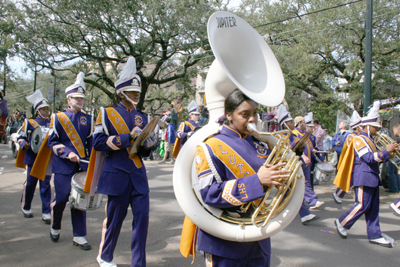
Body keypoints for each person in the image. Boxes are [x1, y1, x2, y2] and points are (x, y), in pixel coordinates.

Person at [194, 89, 290, 266]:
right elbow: (209, 194)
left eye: (254, 113)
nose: (252, 119)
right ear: (229, 115)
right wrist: (257, 181)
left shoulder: (261, 145)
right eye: (245, 114)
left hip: (259, 237)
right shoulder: (211, 145)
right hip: (224, 242)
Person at [94, 56, 157, 267]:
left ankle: (138, 263)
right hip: (116, 173)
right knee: (114, 222)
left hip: (138, 175)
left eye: (138, 92)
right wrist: (127, 138)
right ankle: (105, 256)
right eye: (132, 91)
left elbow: (144, 152)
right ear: (121, 92)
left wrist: (149, 144)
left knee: (142, 224)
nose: (136, 94)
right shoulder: (106, 112)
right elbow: (98, 142)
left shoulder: (143, 116)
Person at [334, 101, 398, 248]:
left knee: (373, 207)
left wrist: (389, 152)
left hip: (372, 177)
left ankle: (375, 234)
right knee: (362, 205)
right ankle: (342, 222)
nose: (377, 130)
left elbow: (378, 158)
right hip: (363, 177)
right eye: (375, 127)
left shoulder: (370, 139)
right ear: (368, 126)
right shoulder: (359, 139)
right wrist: (387, 151)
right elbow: (369, 158)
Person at [48, 72, 93, 250]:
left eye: (82, 98)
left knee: (79, 201)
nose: (80, 101)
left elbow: (91, 144)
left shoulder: (88, 120)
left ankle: (79, 235)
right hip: (63, 166)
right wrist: (67, 153)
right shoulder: (58, 118)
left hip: (81, 166)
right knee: (61, 199)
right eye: (76, 98)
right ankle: (55, 224)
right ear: (69, 99)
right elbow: (52, 142)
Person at [277, 105, 320, 225]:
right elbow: (283, 152)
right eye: (290, 122)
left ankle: (304, 215)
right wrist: (293, 145)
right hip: (285, 167)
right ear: (285, 124)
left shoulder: (293, 135)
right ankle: (302, 214)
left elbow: (297, 150)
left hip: (294, 166)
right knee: (290, 192)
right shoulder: (280, 135)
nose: (292, 123)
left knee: (292, 192)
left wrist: (300, 149)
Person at [17, 90, 51, 223]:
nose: (46, 111)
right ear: (38, 110)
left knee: (46, 185)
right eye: (43, 109)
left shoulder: (52, 123)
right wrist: (23, 144)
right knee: (31, 184)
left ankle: (46, 211)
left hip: (46, 159)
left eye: (47, 109)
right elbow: (21, 137)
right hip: (32, 158)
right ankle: (26, 206)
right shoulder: (29, 122)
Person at [293, 115, 325, 210]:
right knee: (304, 182)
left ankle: (302, 205)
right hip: (300, 162)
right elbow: (295, 148)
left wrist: (312, 151)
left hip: (307, 163)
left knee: (303, 183)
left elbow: (308, 146)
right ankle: (312, 201)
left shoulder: (304, 134)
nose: (306, 124)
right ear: (299, 123)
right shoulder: (295, 133)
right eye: (304, 122)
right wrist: (303, 156)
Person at [332, 110, 362, 204]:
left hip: (356, 161)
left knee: (356, 181)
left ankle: (357, 199)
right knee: (351, 179)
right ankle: (338, 193)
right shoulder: (351, 136)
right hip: (353, 161)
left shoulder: (354, 135)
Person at [386, 124, 400, 193]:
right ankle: (397, 187)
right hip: (398, 157)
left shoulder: (396, 138)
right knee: (396, 172)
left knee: (391, 172)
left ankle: (394, 188)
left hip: (395, 156)